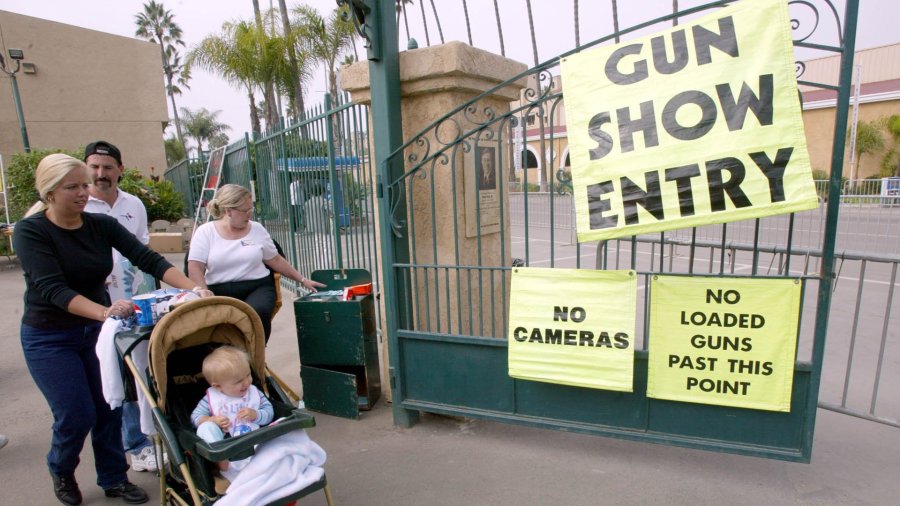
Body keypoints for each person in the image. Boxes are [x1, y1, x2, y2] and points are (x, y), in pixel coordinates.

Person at [13, 154, 211, 505]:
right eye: (72, 187)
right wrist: (104, 312)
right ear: (49, 193)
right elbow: (54, 290)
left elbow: (149, 259)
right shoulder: (31, 232)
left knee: (109, 405)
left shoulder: (99, 225)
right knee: (75, 414)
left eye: (84, 185)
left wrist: (192, 289)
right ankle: (60, 468)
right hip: (50, 336)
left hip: (98, 334)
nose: (83, 193)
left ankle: (113, 477)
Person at [83, 140, 160, 474]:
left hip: (134, 303)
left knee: (137, 372)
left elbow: (143, 255)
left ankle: (140, 441)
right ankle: (132, 446)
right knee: (111, 379)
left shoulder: (134, 205)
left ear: (120, 170)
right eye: (94, 167)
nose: (101, 174)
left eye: (107, 167)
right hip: (95, 307)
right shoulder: (79, 206)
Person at [187, 184, 325, 341]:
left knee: (256, 313)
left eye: (250, 209)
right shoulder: (205, 232)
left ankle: (256, 357)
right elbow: (195, 267)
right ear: (228, 211)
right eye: (244, 211)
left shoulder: (257, 229)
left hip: (257, 286)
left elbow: (275, 259)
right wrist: (203, 293)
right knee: (217, 322)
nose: (249, 215)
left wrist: (302, 280)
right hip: (218, 289)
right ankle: (227, 359)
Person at [191, 346, 273, 478]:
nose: (246, 382)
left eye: (248, 375)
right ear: (217, 386)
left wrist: (256, 414)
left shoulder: (253, 393)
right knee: (205, 428)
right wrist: (211, 420)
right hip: (225, 443)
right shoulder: (211, 399)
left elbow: (269, 412)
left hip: (254, 439)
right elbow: (195, 418)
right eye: (239, 381)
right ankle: (221, 461)